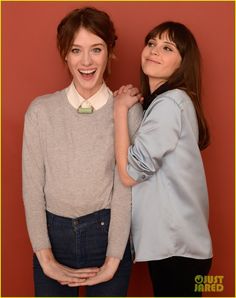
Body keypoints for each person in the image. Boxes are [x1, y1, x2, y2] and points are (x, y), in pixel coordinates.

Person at [22, 7, 142, 297]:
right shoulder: (40, 111)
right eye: (76, 50)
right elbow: (32, 188)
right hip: (53, 237)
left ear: (110, 52)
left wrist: (113, 260)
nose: (86, 61)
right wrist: (46, 259)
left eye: (96, 49)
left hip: (108, 235)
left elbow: (126, 191)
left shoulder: (127, 111)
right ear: (65, 54)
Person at [113, 21, 213, 297]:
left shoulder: (169, 104)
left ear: (182, 64)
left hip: (177, 250)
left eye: (167, 48)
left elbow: (130, 174)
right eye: (152, 43)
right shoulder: (170, 102)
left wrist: (119, 110)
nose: (154, 51)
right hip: (184, 248)